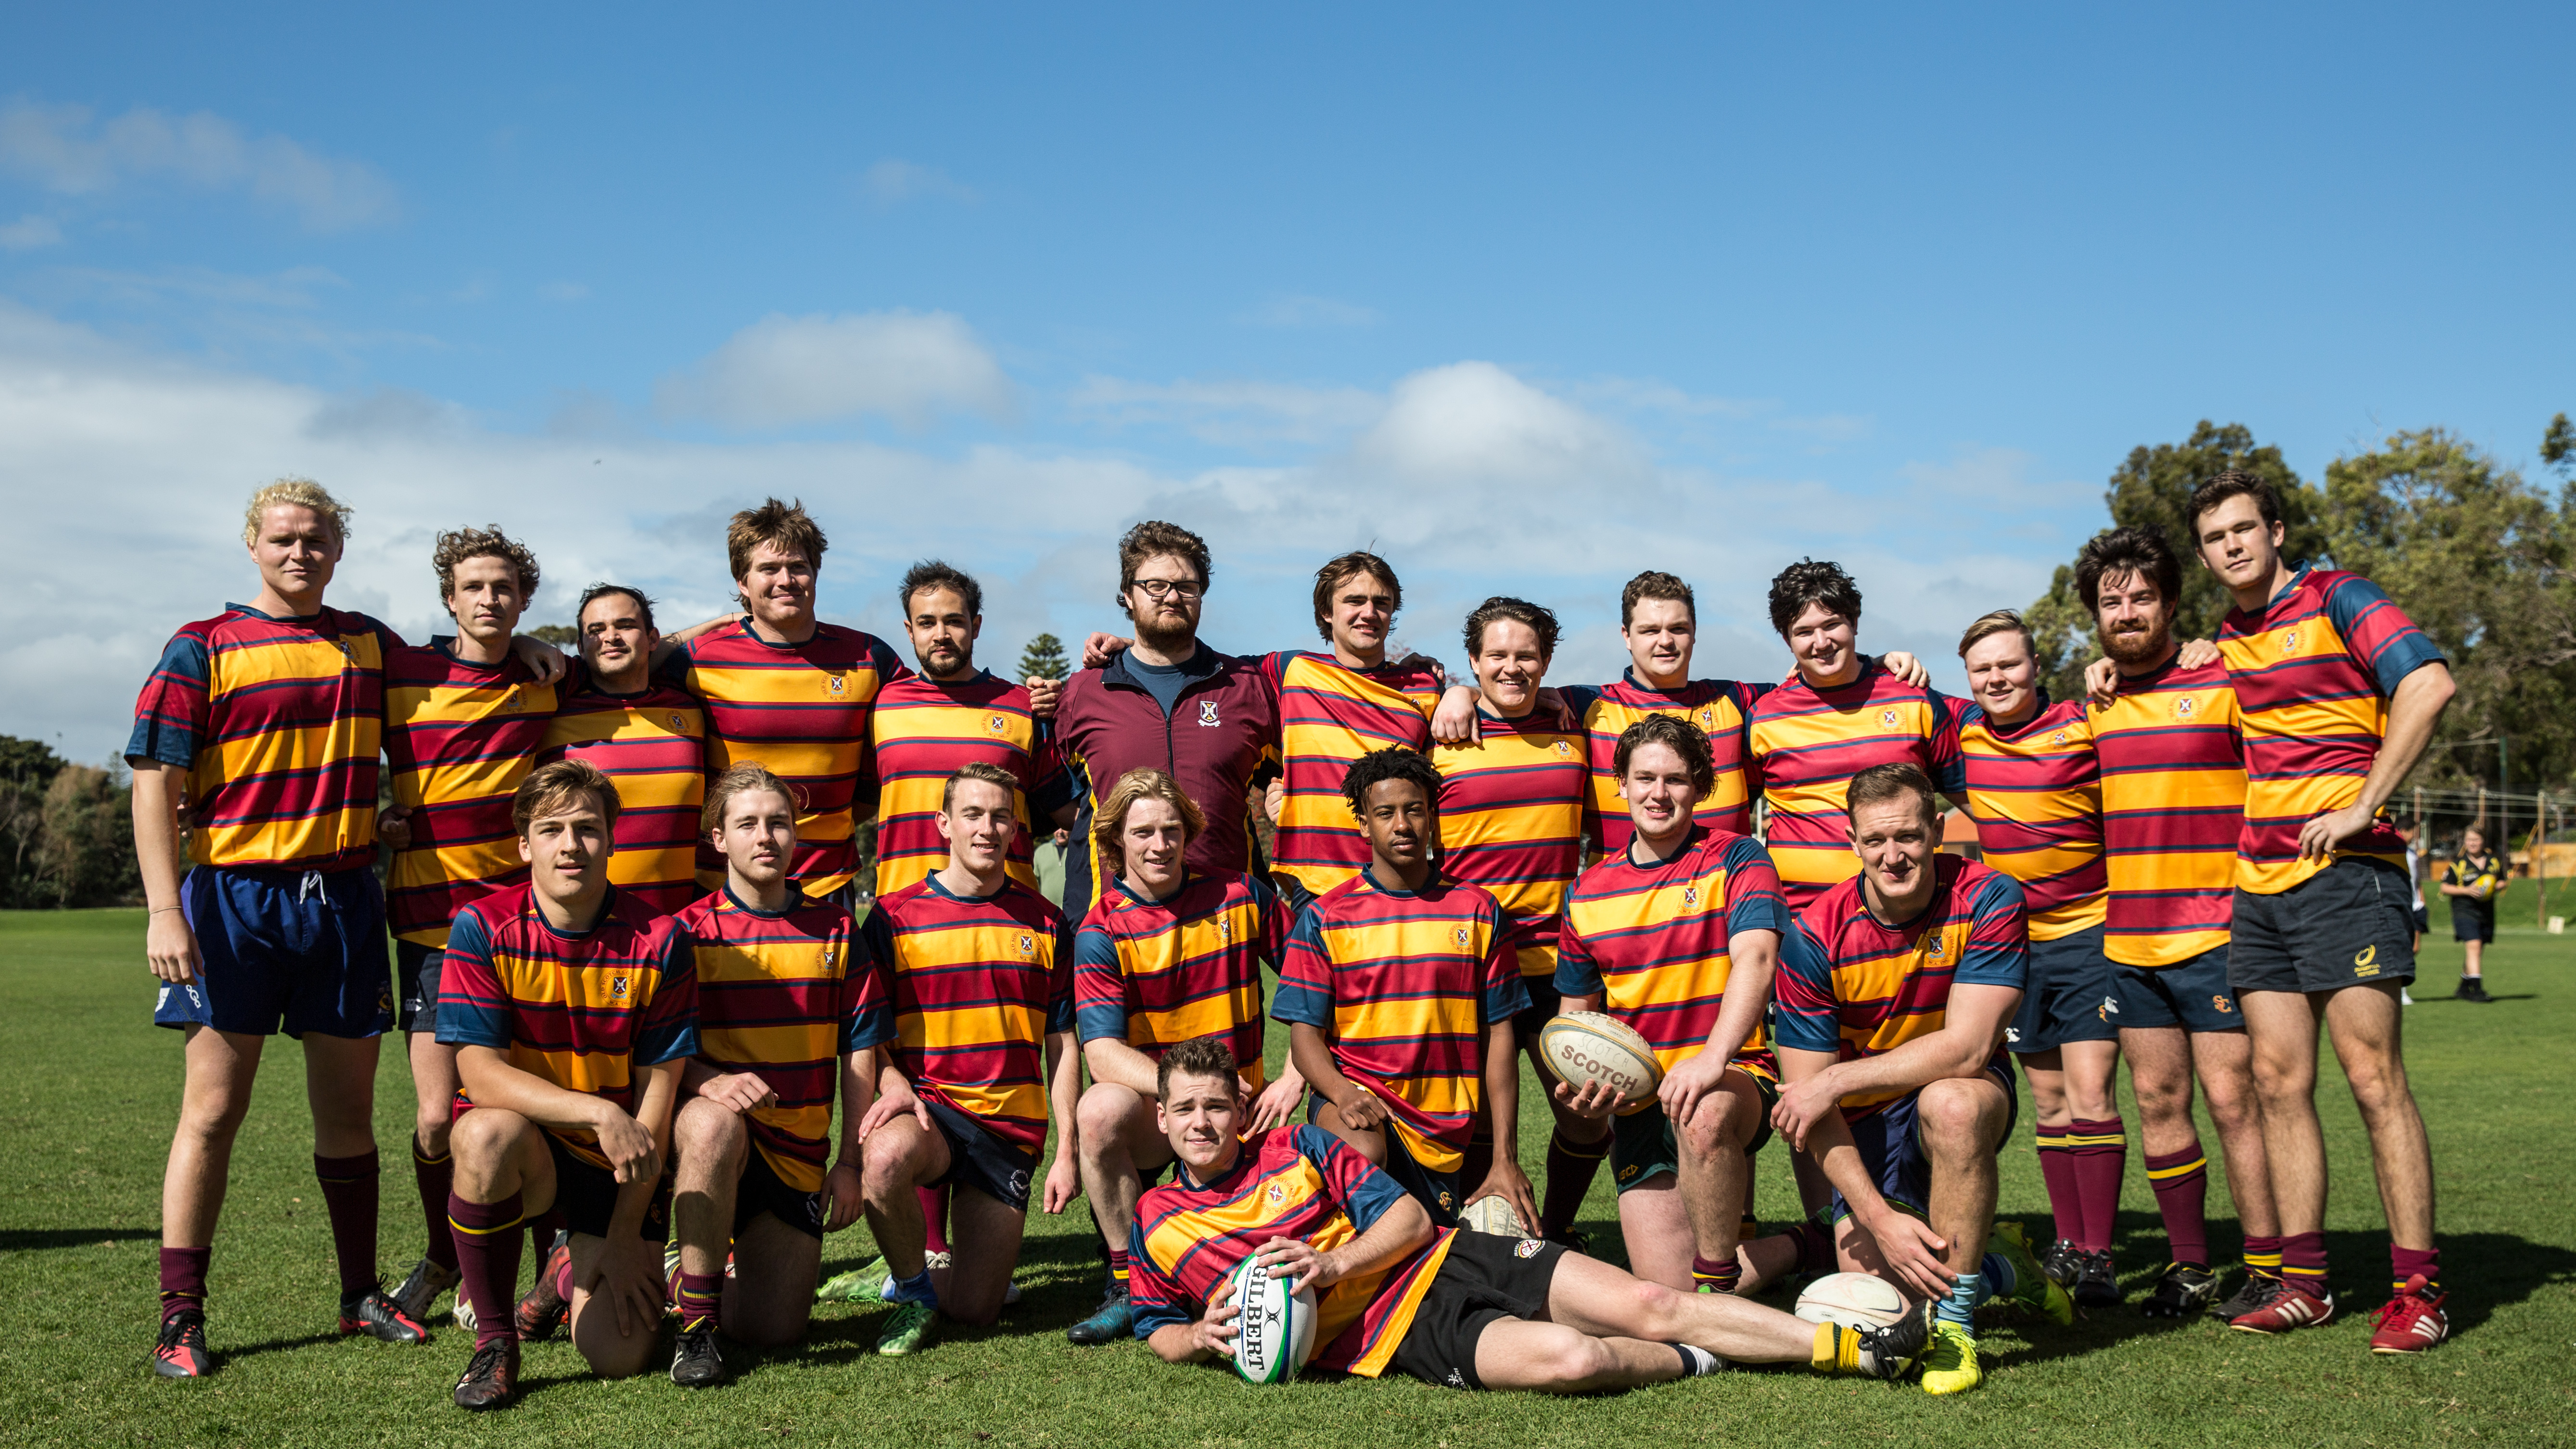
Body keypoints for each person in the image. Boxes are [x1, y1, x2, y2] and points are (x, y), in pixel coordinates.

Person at [1129, 1038, 1931, 1392]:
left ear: (1240, 1110)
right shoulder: (1155, 1219)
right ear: (1160, 1120)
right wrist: (1196, 1336)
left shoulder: (1298, 1145)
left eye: (1215, 1105)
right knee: (1576, 1360)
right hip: (1391, 1339)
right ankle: (1703, 1354)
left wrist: (1332, 1264)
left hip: (1447, 1259)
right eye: (1184, 1110)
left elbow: (1408, 1219)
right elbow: (1149, 1324)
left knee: (1650, 1300)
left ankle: (1855, 1350)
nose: (1201, 1122)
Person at [128, 479, 431, 1375]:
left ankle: (356, 1294)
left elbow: (463, 678)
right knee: (213, 1110)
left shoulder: (367, 644)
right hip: (233, 901)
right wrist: (161, 908)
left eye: (318, 539)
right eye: (284, 538)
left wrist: (533, 642)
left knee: (347, 1115)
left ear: (339, 549)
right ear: (252, 545)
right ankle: (180, 1315)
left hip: (342, 900)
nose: (301, 552)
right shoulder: (202, 647)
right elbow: (154, 782)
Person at [2195, 470, 2456, 1351]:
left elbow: (2425, 684)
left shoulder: (2338, 595)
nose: (2229, 545)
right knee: (2275, 1083)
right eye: (2213, 536)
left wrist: (2361, 803)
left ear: (2274, 531)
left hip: (2348, 876)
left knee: (2372, 1080)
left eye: (2242, 528)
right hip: (2258, 885)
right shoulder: (2227, 637)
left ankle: (2418, 1289)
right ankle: (2303, 1284)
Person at [1770, 763, 2074, 1396]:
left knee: (1952, 1102)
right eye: (1875, 840)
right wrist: (1877, 1218)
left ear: (1937, 829)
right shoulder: (1811, 937)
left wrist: (1834, 1081)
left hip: (1960, 1093)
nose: (1892, 855)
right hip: (1861, 1120)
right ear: (1851, 842)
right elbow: (1808, 1104)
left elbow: (1966, 1048)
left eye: (1907, 836)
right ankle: (2003, 1269)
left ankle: (1956, 1332)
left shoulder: (1989, 897)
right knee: (1891, 1298)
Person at [435, 761, 698, 1409]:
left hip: (612, 1169)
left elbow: (656, 1105)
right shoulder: (482, 926)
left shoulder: (660, 939)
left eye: (586, 828)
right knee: (484, 1132)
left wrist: (624, 1235)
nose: (570, 845)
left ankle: (563, 1271)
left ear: (612, 839)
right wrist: (595, 1113)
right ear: (525, 844)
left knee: (621, 1356)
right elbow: (479, 1073)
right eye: (551, 830)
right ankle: (495, 1341)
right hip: (528, 1149)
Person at [2072, 527, 2281, 1322]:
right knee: (2158, 1099)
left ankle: (2264, 1265)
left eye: (2139, 596)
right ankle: (2191, 1265)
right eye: (2109, 600)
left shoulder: (2222, 678)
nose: (2124, 611)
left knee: (2233, 1099)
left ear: (2168, 604)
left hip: (2218, 932)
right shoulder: (2094, 702)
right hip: (2127, 941)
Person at [381, 527, 565, 1333]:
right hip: (427, 930)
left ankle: (525, 1273)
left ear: (523, 600)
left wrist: (534, 645)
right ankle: (442, 1251)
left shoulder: (551, 679)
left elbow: (658, 647)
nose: (489, 599)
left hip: (515, 933)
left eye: (504, 589)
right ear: (449, 597)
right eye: (474, 587)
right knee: (433, 1119)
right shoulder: (402, 672)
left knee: (517, 1109)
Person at [1424, 571, 1929, 854]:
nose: (1664, 641)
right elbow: (1512, 689)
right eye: (1649, 630)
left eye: (1677, 628)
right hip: (1623, 911)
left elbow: (1817, 672)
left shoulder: (1741, 702)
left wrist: (1878, 663)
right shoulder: (1582, 707)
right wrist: (1460, 693)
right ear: (1626, 636)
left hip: (1720, 908)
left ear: (1693, 632)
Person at [1062, 768, 1300, 1347]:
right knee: (1097, 1110)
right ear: (1116, 839)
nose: (1159, 845)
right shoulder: (1101, 929)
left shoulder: (1241, 894)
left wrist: (1295, 1076)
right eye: (1143, 832)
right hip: (1162, 1116)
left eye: (1171, 830)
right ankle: (1126, 1282)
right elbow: (1103, 1055)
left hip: (1242, 1114)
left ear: (1189, 833)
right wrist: (1187, 1095)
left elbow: (1311, 986)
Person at [664, 763, 882, 1387]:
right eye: (748, 824)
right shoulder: (688, 932)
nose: (765, 837)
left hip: (798, 1156)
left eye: (779, 823)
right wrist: (709, 1081)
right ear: (718, 838)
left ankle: (672, 1281)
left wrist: (850, 1163)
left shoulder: (838, 929)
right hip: (711, 1141)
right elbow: (657, 1050)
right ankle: (695, 1330)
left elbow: (859, 1051)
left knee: (775, 1331)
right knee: (711, 1125)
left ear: (796, 836)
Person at [854, 762, 1082, 1357]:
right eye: (973, 815)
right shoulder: (892, 917)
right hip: (929, 1111)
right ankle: (911, 1287)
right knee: (882, 1158)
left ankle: (900, 1277)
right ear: (944, 826)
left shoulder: (1047, 922)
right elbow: (866, 1035)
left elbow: (1060, 1044)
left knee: (979, 1311)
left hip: (1007, 1130)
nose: (987, 828)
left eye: (1000, 816)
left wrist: (1066, 1150)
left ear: (1016, 830)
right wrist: (891, 1081)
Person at [1553, 716, 1787, 1296]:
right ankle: (1809, 1242)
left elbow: (1755, 962)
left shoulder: (1738, 858)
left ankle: (1715, 1292)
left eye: (1676, 780)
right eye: (1645, 778)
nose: (1659, 794)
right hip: (1639, 1100)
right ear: (1621, 783)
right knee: (1663, 1288)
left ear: (1700, 787)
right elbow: (1575, 1017)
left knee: (1701, 1113)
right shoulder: (1586, 892)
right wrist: (1576, 1082)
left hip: (1729, 1076)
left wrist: (1711, 1059)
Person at [1273, 748, 1536, 1231]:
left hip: (1447, 1122)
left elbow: (1501, 1036)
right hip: (1359, 1100)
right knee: (1362, 1151)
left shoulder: (1478, 910)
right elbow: (1305, 1037)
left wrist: (1504, 1157)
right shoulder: (1324, 917)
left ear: (1432, 820)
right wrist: (1340, 1093)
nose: (1401, 825)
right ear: (1363, 825)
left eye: (1414, 810)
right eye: (1385, 813)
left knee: (1455, 1256)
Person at [1951, 610, 2125, 1309]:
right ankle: (2070, 1244)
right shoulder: (1961, 732)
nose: (1996, 678)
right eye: (1982, 669)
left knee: (2090, 1096)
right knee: (2049, 1103)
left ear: (2034, 665)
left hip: (2090, 935)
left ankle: (2100, 1255)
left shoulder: (2083, 722)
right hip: (2016, 945)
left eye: (2008, 664)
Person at [1427, 598, 1596, 1242]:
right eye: (1495, 655)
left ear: (1546, 661)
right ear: (1473, 659)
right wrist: (1454, 692)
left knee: (1581, 1110)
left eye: (1525, 655)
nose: (1512, 667)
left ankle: (1553, 1229)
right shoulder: (1438, 732)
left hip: (1557, 962)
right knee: (1471, 1117)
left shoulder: (1572, 723)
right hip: (1469, 962)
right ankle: (1475, 1236)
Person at [660, 497, 907, 906]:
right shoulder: (697, 659)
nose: (786, 580)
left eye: (798, 567)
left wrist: (1034, 697)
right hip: (720, 888)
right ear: (743, 582)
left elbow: (930, 713)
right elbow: (617, 676)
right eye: (768, 569)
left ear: (816, 573)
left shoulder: (869, 658)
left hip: (828, 885)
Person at [1047, 521, 1279, 925]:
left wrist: (1426, 676)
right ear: (1128, 595)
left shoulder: (1247, 687)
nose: (1172, 597)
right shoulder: (1082, 693)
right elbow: (1046, 793)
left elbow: (1299, 776)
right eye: (1156, 586)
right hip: (1112, 926)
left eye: (1187, 586)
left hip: (1226, 922)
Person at [1747, 559, 1966, 915]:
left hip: (1913, 920)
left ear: (1855, 623)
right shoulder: (1763, 716)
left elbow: (1976, 804)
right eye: (1804, 632)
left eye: (1832, 625)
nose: (1821, 643)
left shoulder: (1913, 697)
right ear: (1787, 641)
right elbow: (1736, 817)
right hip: (1802, 925)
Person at [870, 560, 1076, 898]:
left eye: (954, 621)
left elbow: (1068, 811)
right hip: (901, 918)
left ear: (976, 625)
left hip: (1008, 916)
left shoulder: (1023, 705)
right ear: (910, 631)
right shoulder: (881, 705)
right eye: (927, 623)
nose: (941, 635)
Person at [540, 584, 710, 921]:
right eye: (597, 629)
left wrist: (732, 619)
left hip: (681, 928)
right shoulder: (551, 708)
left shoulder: (690, 708)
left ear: (652, 639)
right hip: (584, 927)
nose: (611, 637)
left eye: (625, 625)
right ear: (580, 646)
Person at [2438, 827, 2503, 1002]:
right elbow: (2444, 887)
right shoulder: (2458, 864)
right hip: (2464, 910)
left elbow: (2502, 881)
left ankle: (2463, 988)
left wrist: (2491, 887)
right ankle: (2478, 991)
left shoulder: (2494, 861)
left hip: (2486, 911)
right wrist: (2467, 890)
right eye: (2469, 840)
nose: (2472, 843)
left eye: (2476, 840)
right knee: (2474, 945)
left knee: (2477, 950)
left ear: (2483, 841)